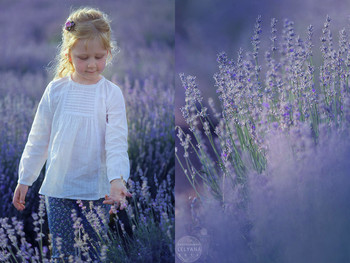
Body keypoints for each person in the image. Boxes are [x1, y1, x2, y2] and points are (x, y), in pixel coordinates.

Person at [12, 7, 132, 261]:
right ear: (68, 55)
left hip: (97, 190)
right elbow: (39, 138)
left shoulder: (111, 94)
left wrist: (117, 180)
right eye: (83, 57)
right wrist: (26, 178)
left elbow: (117, 142)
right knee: (63, 255)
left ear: (109, 53)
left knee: (93, 254)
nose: (91, 64)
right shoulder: (56, 90)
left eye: (99, 57)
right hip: (59, 188)